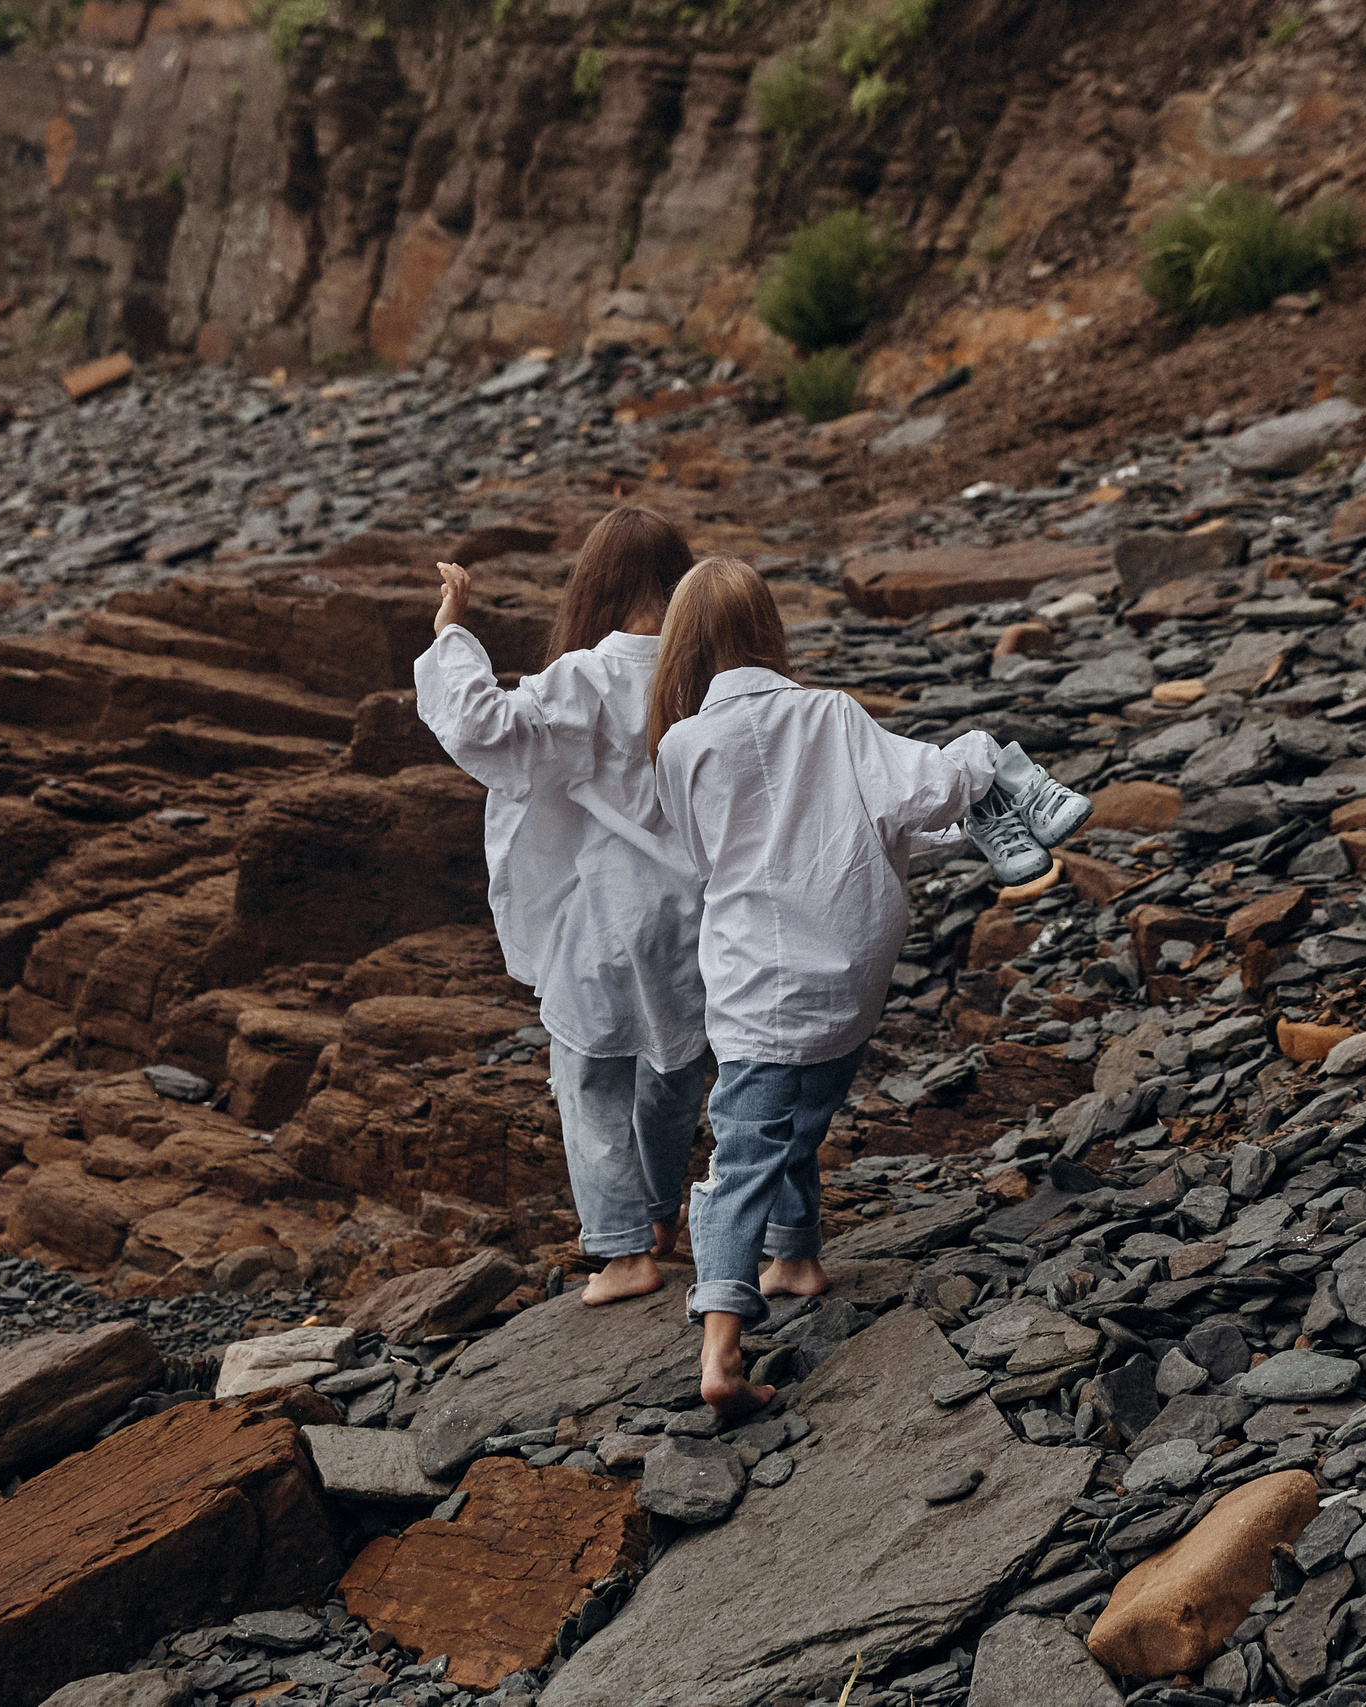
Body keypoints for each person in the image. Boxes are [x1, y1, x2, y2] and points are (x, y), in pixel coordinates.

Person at [650, 555, 1089, 1415]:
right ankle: (798, 1256)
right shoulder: (830, 714)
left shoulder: (681, 744)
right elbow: (916, 791)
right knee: (798, 1118)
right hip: (849, 971)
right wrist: (980, 757)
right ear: (768, 630)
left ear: (685, 650)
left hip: (756, 980)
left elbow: (702, 856)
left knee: (744, 1147)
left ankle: (720, 1346)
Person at [414, 507, 708, 1305]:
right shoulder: (706, 679)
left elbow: (484, 726)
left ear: (597, 585)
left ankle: (622, 1251)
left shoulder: (590, 676)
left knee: (587, 1075)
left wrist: (452, 631)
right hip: (702, 909)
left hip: (613, 909)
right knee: (675, 1067)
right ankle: (657, 1216)